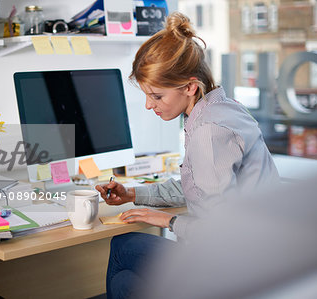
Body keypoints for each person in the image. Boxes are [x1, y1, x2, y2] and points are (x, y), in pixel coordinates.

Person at [95, 11, 280, 299]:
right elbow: (199, 185)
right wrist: (133, 194)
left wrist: (166, 220)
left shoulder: (208, 130)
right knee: (124, 267)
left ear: (190, 87)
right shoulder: (220, 108)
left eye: (156, 96)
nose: (148, 105)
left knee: (124, 263)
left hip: (237, 266)